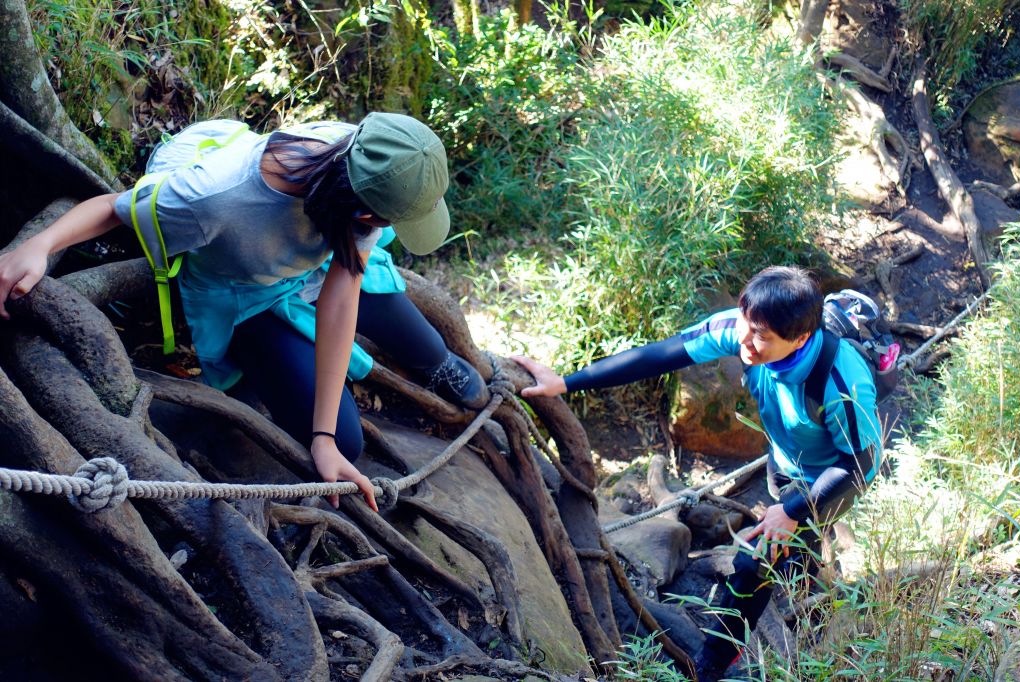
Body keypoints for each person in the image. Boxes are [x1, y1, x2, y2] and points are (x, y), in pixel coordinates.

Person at [0, 113, 488, 512]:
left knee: (427, 348)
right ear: (367, 215)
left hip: (313, 253)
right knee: (346, 442)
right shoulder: (214, 200)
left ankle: (434, 363)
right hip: (246, 290)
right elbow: (114, 209)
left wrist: (319, 433)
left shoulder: (359, 160)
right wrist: (39, 245)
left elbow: (342, 297)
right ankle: (265, 363)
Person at [512, 266, 883, 681]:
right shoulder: (747, 328)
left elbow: (860, 466)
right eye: (745, 324)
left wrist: (795, 510)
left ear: (799, 339)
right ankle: (802, 577)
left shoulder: (840, 380)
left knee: (753, 564)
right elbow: (663, 354)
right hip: (785, 458)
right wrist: (565, 382)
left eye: (761, 336)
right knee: (791, 541)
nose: (744, 341)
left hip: (834, 478)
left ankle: (711, 665)